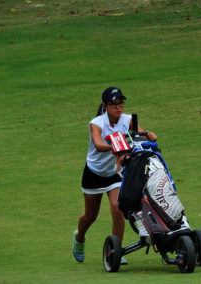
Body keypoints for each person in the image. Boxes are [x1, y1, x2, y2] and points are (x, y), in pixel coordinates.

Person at [72, 87, 157, 264]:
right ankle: (79, 238)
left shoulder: (128, 120)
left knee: (118, 208)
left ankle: (116, 250)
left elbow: (140, 136)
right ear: (105, 106)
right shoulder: (96, 123)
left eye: (120, 104)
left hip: (115, 173)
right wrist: (116, 146)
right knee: (90, 216)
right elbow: (97, 144)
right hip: (94, 174)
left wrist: (149, 136)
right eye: (113, 105)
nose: (118, 108)